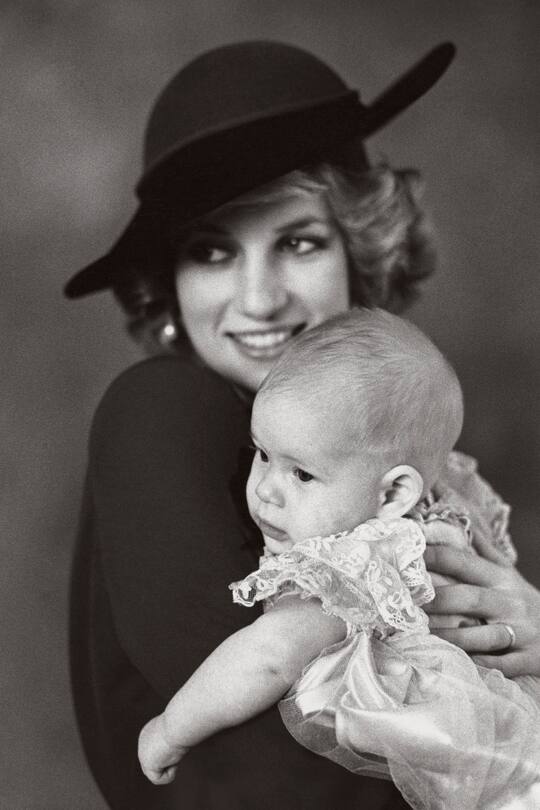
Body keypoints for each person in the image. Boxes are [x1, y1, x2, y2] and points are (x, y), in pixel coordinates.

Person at [65, 41, 540, 810]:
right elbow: (275, 769)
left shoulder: (402, 459)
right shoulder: (164, 410)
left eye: (297, 242)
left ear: (361, 250)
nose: (258, 301)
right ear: (170, 282)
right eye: (212, 250)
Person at [137, 309, 540, 809]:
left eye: (301, 475)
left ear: (393, 493)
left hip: (457, 758)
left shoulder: (352, 565)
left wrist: (172, 728)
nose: (266, 490)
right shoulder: (440, 517)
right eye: (262, 454)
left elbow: (268, 657)